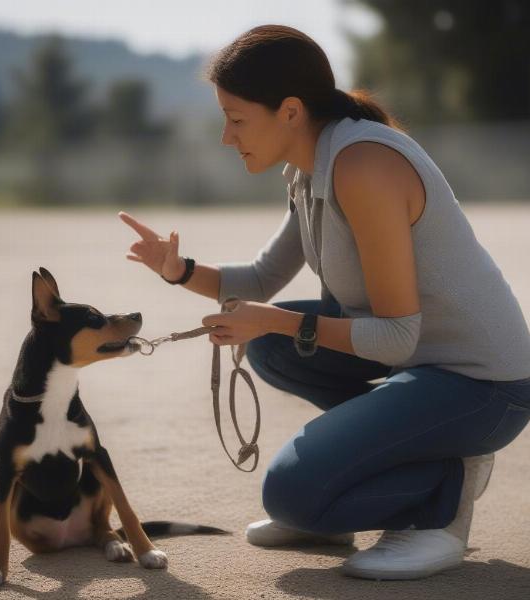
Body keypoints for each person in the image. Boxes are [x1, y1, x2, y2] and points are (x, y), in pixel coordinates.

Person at [118, 24, 530, 580]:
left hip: (485, 385)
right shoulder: (311, 166)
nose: (225, 136)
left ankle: (442, 497)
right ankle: (368, 472)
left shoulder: (362, 167)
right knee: (273, 348)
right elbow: (262, 279)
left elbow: (395, 335)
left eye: (236, 119)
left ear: (289, 111)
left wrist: (273, 320)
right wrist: (178, 270)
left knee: (292, 494)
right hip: (421, 364)